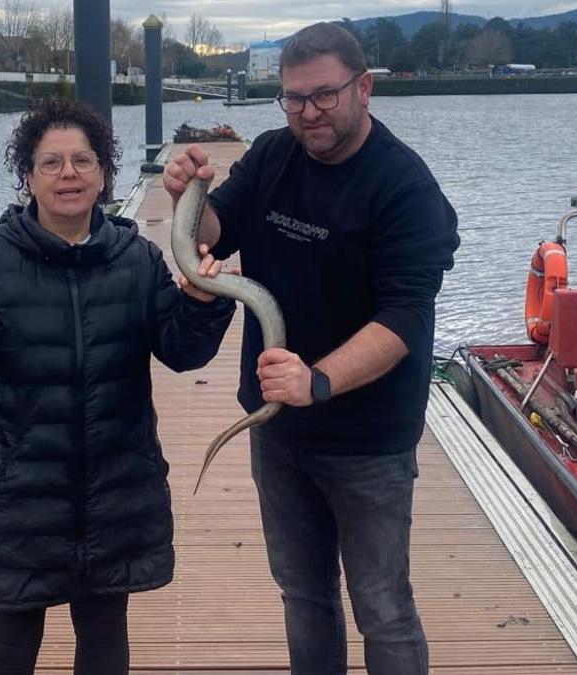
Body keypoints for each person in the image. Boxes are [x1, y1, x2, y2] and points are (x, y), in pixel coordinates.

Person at [162, 22, 460, 675]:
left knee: (383, 604)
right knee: (304, 595)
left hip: (367, 438)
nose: (307, 113)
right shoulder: (272, 155)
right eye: (293, 99)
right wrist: (190, 199)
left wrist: (317, 380)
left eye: (323, 96)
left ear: (364, 88)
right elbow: (216, 231)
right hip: (280, 429)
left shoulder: (405, 188)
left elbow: (405, 317)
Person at [0, 98, 234, 675]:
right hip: (17, 500)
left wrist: (202, 303)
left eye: (83, 161)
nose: (69, 175)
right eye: (51, 163)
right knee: (9, 648)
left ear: (104, 173)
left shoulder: (136, 259)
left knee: (105, 643)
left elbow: (183, 352)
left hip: (115, 494)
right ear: (27, 177)